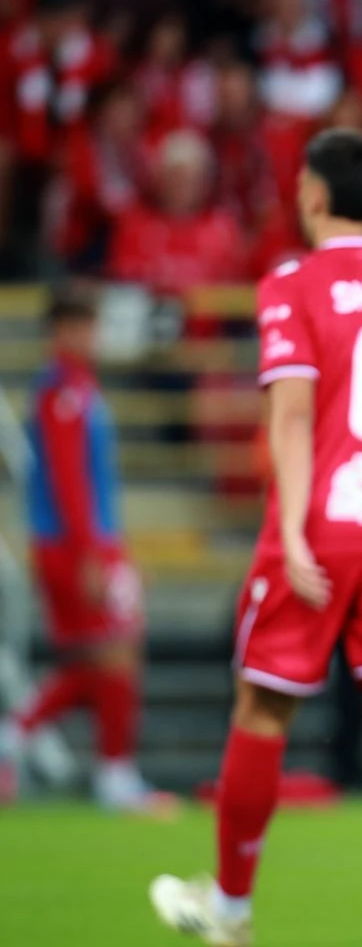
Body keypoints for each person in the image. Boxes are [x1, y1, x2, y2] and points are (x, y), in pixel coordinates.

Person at [147, 128, 362, 947]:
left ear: (316, 195)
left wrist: (290, 530)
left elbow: (291, 415)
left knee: (262, 709)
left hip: (325, 520)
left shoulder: (292, 283)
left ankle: (229, 910)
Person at [0, 285, 168, 814]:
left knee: (104, 661)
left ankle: (16, 737)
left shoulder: (77, 387)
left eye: (91, 326)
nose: (89, 337)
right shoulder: (62, 394)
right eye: (78, 327)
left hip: (89, 542)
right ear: (57, 332)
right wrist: (92, 555)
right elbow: (70, 482)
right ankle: (113, 773)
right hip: (72, 546)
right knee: (115, 653)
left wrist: (116, 551)